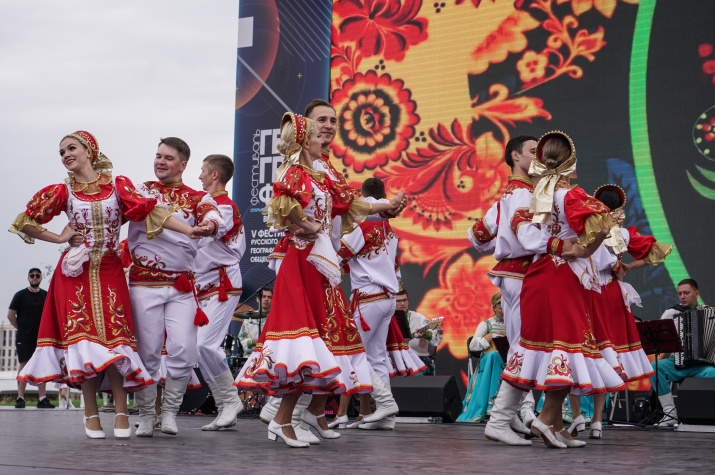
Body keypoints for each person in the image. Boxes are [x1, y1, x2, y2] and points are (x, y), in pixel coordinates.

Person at [10, 130, 197, 439]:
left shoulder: (118, 186)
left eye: (72, 148)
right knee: (85, 343)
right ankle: (91, 413)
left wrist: (189, 231)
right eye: (61, 152)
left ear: (89, 151)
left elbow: (151, 212)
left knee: (116, 342)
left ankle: (122, 412)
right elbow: (25, 221)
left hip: (110, 270)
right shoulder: (62, 191)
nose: (66, 155)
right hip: (75, 274)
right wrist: (59, 237)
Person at [234, 112, 405, 448]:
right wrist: (305, 224)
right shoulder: (295, 173)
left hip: (319, 264)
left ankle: (296, 416)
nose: (323, 137)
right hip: (302, 261)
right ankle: (284, 418)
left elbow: (349, 203)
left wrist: (386, 205)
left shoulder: (319, 175)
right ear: (304, 141)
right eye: (316, 132)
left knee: (321, 341)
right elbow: (282, 208)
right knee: (304, 340)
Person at [500, 130, 626, 449]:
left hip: (539, 273)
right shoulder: (570, 194)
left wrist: (572, 245)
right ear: (571, 161)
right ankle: (544, 420)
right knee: (568, 349)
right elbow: (598, 230)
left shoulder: (534, 193)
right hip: (563, 276)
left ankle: (554, 425)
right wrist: (590, 244)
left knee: (552, 351)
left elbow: (520, 233)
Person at [127, 136, 226, 437]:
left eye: (168, 158)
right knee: (147, 353)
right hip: (144, 283)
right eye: (158, 156)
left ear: (183, 165)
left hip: (181, 285)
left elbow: (213, 216)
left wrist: (209, 225)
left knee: (183, 349)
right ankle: (147, 415)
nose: (160, 161)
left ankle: (169, 413)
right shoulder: (141, 191)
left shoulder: (197, 197)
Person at [569, 184, 670, 438]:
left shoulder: (584, 228)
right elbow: (657, 249)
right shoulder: (623, 233)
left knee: (577, 351)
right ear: (619, 208)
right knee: (607, 356)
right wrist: (629, 267)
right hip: (612, 294)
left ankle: (577, 415)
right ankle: (597, 421)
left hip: (586, 292)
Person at [470, 135, 544, 446]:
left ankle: (512, 414)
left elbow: (477, 236)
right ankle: (502, 419)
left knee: (519, 346)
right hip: (524, 274)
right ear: (515, 156)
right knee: (524, 347)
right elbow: (528, 238)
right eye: (533, 152)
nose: (539, 157)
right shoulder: (524, 194)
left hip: (513, 275)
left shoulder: (509, 195)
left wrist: (501, 236)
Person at [331, 177, 402, 430]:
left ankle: (380, 404)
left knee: (352, 353)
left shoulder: (361, 225)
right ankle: (385, 417)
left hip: (368, 297)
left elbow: (340, 255)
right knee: (377, 357)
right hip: (388, 297)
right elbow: (393, 266)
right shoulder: (389, 229)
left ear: (362, 197)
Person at [194, 154, 246, 432]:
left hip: (222, 283)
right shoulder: (206, 204)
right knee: (198, 348)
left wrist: (188, 229)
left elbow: (210, 231)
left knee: (206, 345)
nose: (199, 176)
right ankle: (224, 404)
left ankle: (231, 399)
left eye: (203, 170)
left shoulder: (223, 206)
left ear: (215, 174)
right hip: (204, 284)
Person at [648, 279, 715, 427]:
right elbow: (659, 341)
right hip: (678, 362)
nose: (682, 297)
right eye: (679, 294)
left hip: (702, 365)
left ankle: (703, 415)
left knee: (712, 373)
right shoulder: (671, 313)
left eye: (686, 293)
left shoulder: (710, 313)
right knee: (655, 368)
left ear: (696, 293)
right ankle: (670, 414)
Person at [457, 291, 506, 423]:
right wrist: (491, 337)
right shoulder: (487, 324)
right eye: (501, 308)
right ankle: (490, 405)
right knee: (493, 355)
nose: (504, 311)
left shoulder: (513, 324)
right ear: (494, 308)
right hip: (489, 362)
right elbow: (473, 345)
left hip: (507, 360)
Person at [7, 268, 53, 409]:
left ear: (41, 278)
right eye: (32, 275)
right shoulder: (20, 295)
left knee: (42, 365)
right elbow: (10, 315)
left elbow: (51, 314)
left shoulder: (45, 295)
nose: (34, 277)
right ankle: (20, 398)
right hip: (24, 337)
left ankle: (42, 399)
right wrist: (21, 328)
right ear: (28, 278)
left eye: (37, 275)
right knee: (24, 364)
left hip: (41, 337)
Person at [395, 290, 443, 375]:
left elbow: (435, 339)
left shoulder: (419, 318)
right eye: (398, 301)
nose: (402, 303)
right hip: (393, 361)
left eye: (404, 300)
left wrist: (426, 334)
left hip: (417, 360)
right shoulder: (387, 320)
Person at [237, 289, 271, 354]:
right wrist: (253, 342)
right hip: (251, 356)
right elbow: (240, 342)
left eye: (269, 297)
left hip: (269, 355)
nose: (266, 299)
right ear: (257, 299)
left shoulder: (276, 318)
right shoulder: (249, 318)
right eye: (263, 296)